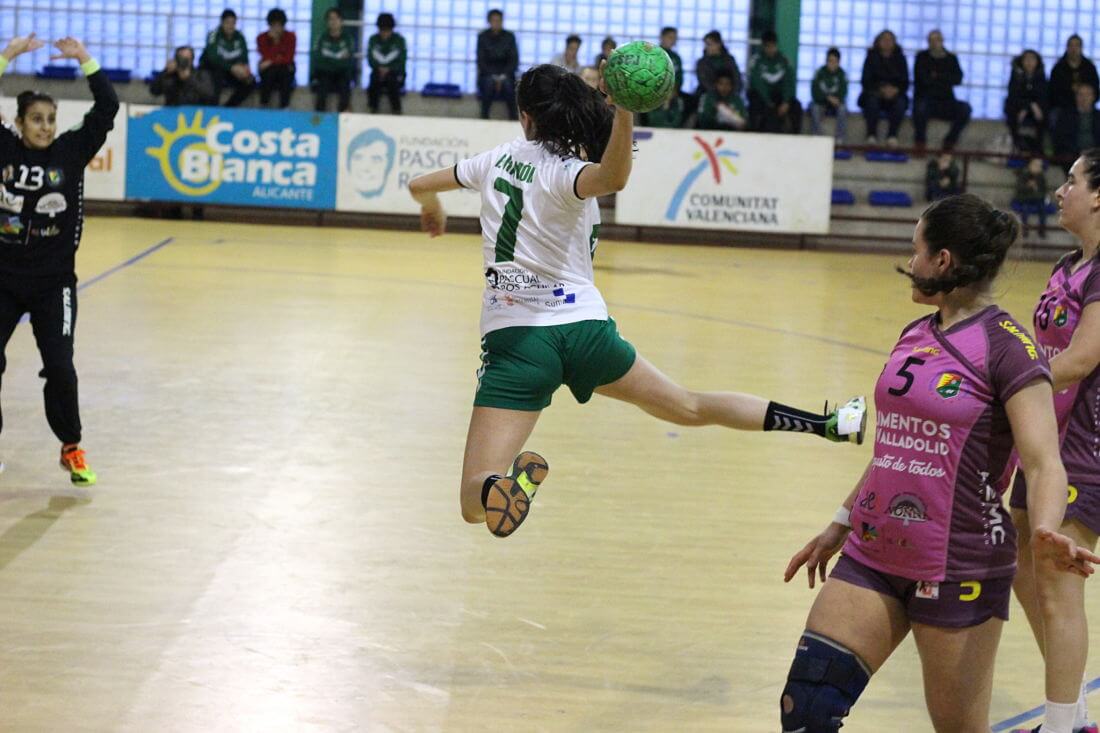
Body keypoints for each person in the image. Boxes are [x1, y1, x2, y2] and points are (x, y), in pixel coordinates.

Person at [405, 63, 868, 538]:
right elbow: (613, 177)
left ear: (524, 116)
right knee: (689, 406)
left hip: (518, 342)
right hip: (585, 332)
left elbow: (419, 185)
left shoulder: (493, 161)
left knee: (472, 500)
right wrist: (624, 109)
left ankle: (507, 483)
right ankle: (828, 423)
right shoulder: (568, 171)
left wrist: (432, 208)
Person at [782, 193, 1099, 733]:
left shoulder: (1008, 349)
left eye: (917, 249)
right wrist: (840, 521)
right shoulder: (915, 335)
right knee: (805, 709)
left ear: (943, 261)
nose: (912, 261)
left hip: (958, 566)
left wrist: (1044, 528)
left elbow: (1045, 461)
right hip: (872, 553)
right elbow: (893, 446)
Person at [0, 34, 121, 486]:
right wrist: (8, 56)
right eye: (36, 120)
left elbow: (107, 107)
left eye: (51, 119)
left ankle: (71, 447)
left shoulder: (69, 153)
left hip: (54, 284)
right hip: (4, 279)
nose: (46, 127)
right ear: (19, 122)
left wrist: (86, 60)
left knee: (61, 368)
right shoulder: (5, 150)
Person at [1007, 149, 1100, 733]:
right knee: (1018, 555)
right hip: (1046, 441)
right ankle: (1077, 712)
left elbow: (1083, 358)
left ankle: (1063, 726)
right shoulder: (1067, 264)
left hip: (1086, 450)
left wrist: (1006, 379)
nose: (1060, 190)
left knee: (1060, 584)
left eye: (1072, 180)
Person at [913, 30, 971, 151]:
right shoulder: (922, 57)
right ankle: (920, 142)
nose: (935, 43)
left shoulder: (951, 58)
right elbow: (923, 79)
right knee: (919, 109)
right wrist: (945, 77)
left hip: (946, 100)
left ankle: (950, 141)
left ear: (942, 41)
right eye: (931, 40)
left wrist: (937, 76)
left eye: (937, 40)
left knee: (965, 109)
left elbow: (958, 79)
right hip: (927, 99)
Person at [859, 29, 909, 147]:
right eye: (884, 39)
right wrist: (881, 89)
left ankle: (892, 135)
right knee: (871, 102)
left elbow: (905, 81)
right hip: (875, 92)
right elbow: (866, 80)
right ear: (878, 42)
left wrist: (895, 90)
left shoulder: (900, 58)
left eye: (890, 40)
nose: (887, 42)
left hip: (895, 94)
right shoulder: (871, 57)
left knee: (900, 103)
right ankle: (871, 134)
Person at [747, 30, 801, 134]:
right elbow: (757, 83)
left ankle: (795, 136)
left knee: (796, 106)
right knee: (760, 108)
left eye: (773, 46)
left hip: (779, 96)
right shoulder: (756, 61)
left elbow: (789, 82)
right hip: (761, 97)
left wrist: (786, 102)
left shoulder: (784, 60)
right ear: (763, 46)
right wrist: (768, 102)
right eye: (768, 46)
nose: (771, 49)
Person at [200, 8, 254, 107]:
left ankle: (229, 107)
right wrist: (232, 68)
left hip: (231, 71)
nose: (230, 26)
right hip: (212, 69)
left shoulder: (239, 36)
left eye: (233, 23)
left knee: (250, 81)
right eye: (227, 23)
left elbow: (244, 56)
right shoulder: (214, 35)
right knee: (217, 74)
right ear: (222, 23)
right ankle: (213, 108)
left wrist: (243, 67)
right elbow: (213, 58)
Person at [476, 9, 518, 120]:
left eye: (499, 20)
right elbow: (481, 61)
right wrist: (494, 77)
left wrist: (502, 77)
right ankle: (484, 117)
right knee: (488, 84)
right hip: (487, 75)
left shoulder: (509, 37)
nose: (496, 23)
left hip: (506, 75)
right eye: (494, 20)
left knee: (509, 86)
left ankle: (513, 118)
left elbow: (514, 60)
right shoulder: (482, 37)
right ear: (489, 22)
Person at [311, 7, 355, 113]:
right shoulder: (321, 38)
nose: (333, 22)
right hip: (325, 73)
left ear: (341, 21)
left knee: (345, 84)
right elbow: (318, 60)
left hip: (342, 74)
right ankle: (319, 119)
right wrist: (337, 61)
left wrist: (329, 60)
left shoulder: (348, 38)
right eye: (330, 19)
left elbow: (348, 62)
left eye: (336, 18)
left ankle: (343, 116)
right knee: (321, 86)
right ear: (327, 22)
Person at [1006, 50, 1049, 156]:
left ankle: (1038, 150)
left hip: (1036, 112)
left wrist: (1033, 106)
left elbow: (1042, 96)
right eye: (1027, 59)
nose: (1029, 62)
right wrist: (1027, 106)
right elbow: (1014, 95)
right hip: (1018, 110)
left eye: (1032, 59)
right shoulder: (1016, 76)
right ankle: (1018, 147)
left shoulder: (1041, 77)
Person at [1049, 35, 1100, 118]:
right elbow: (1053, 92)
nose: (1074, 49)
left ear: (1081, 48)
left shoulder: (1089, 68)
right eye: (1071, 45)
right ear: (1067, 47)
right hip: (1063, 107)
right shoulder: (1058, 68)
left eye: (1077, 45)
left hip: (1086, 107)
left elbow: (1096, 90)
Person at [1052, 85, 1100, 173]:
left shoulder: (1098, 116)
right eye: (1081, 94)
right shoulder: (1065, 116)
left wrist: (1092, 153)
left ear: (1093, 97)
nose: (1084, 98)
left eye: (1088, 94)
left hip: (1096, 158)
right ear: (1076, 97)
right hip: (1071, 158)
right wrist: (1078, 152)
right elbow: (1060, 139)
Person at [366, 13, 406, 115]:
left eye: (387, 30)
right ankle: (372, 109)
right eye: (382, 30)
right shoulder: (373, 39)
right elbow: (370, 58)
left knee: (392, 81)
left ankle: (397, 110)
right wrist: (378, 68)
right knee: (374, 80)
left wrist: (390, 68)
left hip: (394, 73)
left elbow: (402, 60)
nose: (384, 33)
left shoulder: (399, 41)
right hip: (377, 71)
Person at [256, 8, 296, 109]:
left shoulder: (291, 37)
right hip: (269, 69)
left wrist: (271, 61)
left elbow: (289, 58)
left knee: (285, 73)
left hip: (285, 67)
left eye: (280, 26)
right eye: (274, 26)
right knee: (269, 73)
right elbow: (265, 55)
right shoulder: (261, 38)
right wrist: (274, 41)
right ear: (269, 25)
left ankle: (285, 106)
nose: (277, 29)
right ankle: (264, 104)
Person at [149, 46, 215, 106]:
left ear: (192, 59)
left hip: (194, 114)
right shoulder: (170, 75)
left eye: (186, 58)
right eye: (180, 58)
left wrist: (189, 78)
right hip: (171, 113)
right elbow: (154, 91)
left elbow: (209, 95)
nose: (183, 61)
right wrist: (165, 72)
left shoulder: (201, 75)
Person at [810, 47, 849, 142]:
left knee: (843, 109)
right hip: (821, 102)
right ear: (826, 61)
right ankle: (817, 136)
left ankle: (840, 138)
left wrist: (837, 99)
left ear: (839, 62)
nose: (832, 64)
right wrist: (827, 98)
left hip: (836, 103)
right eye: (830, 61)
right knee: (814, 108)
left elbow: (843, 92)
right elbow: (815, 92)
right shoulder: (819, 73)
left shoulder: (842, 74)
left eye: (835, 61)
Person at [1014, 157, 1050, 238]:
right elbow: (1019, 190)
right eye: (1036, 165)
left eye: (1039, 166)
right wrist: (1029, 186)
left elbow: (1044, 191)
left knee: (1042, 209)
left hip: (1037, 199)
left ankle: (1042, 230)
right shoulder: (1023, 174)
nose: (1038, 168)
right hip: (1025, 198)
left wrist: (1036, 191)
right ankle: (1025, 230)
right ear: (1030, 165)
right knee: (1025, 209)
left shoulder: (1041, 177)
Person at [658, 26, 685, 107]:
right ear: (662, 37)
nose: (673, 41)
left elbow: (679, 76)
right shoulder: (653, 55)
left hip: (673, 92)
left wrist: (675, 90)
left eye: (675, 38)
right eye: (670, 37)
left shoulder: (676, 58)